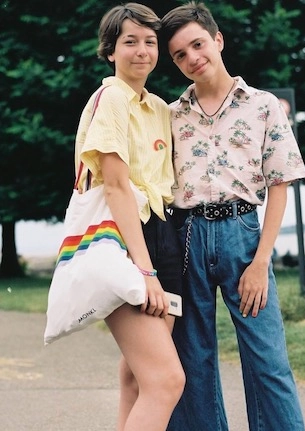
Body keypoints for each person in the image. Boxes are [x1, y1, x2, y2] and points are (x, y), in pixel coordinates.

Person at [159, 3, 305, 430]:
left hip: (243, 235)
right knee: (194, 362)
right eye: (179, 55)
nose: (192, 58)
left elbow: (280, 184)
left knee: (269, 362)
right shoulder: (171, 115)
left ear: (217, 39)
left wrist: (260, 262)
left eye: (197, 45)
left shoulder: (261, 106)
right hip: (185, 237)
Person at [74, 4, 185, 430]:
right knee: (166, 381)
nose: (142, 51)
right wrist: (145, 271)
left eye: (150, 42)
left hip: (164, 234)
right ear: (110, 51)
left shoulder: (158, 107)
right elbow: (117, 187)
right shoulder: (112, 99)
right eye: (130, 42)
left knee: (137, 377)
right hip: (127, 242)